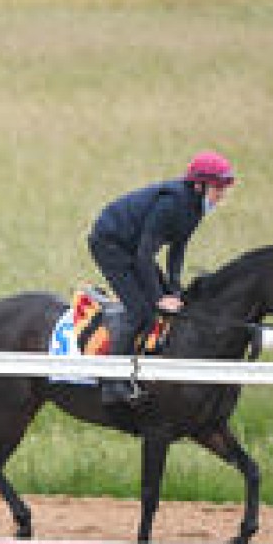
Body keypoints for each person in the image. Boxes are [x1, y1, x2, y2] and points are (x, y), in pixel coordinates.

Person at [86, 150, 236, 403]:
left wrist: (175, 291)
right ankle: (111, 383)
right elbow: (145, 254)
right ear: (199, 185)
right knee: (140, 311)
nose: (222, 194)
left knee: (169, 301)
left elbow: (177, 250)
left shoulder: (195, 207)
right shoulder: (172, 204)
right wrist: (158, 298)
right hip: (110, 244)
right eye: (218, 187)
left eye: (224, 187)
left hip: (133, 249)